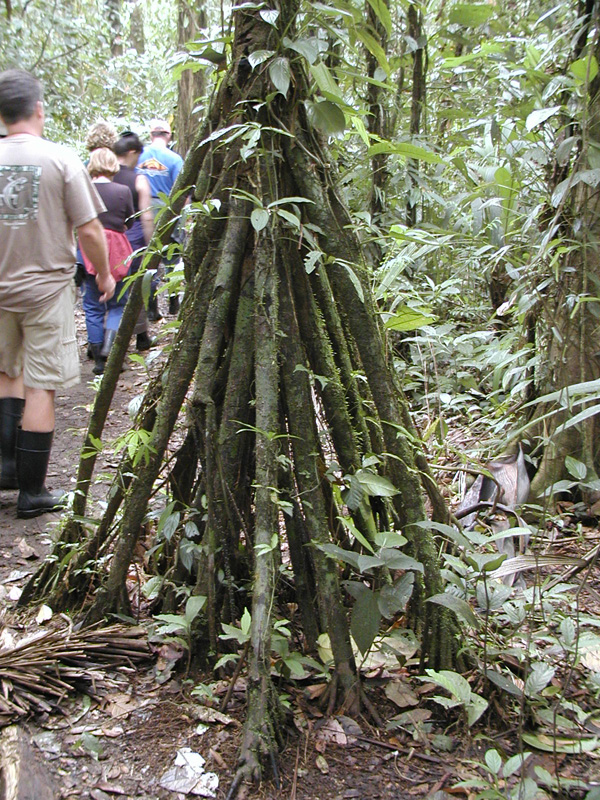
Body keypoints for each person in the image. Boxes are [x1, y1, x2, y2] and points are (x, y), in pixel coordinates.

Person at [0, 69, 115, 519]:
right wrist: (103, 275)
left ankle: (7, 467)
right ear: (39, 109)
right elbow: (89, 229)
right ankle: (32, 492)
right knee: (40, 386)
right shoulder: (61, 160)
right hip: (46, 291)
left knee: (6, 373)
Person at [79, 147, 134, 375]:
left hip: (89, 248)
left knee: (92, 305)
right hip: (117, 249)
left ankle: (98, 360)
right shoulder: (123, 191)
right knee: (118, 303)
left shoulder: (84, 189)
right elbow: (130, 220)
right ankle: (109, 350)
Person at [113, 131, 155, 350]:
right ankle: (141, 336)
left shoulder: (103, 176)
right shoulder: (139, 179)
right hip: (134, 238)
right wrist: (151, 244)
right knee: (136, 287)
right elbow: (146, 215)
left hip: (109, 238)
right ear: (132, 153)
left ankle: (102, 340)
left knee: (111, 288)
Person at [137, 118, 184, 318]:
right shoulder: (175, 159)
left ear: (151, 135)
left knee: (149, 258)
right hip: (169, 208)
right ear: (169, 136)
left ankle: (151, 308)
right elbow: (183, 191)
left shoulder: (139, 157)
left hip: (144, 209)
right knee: (173, 257)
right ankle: (173, 303)